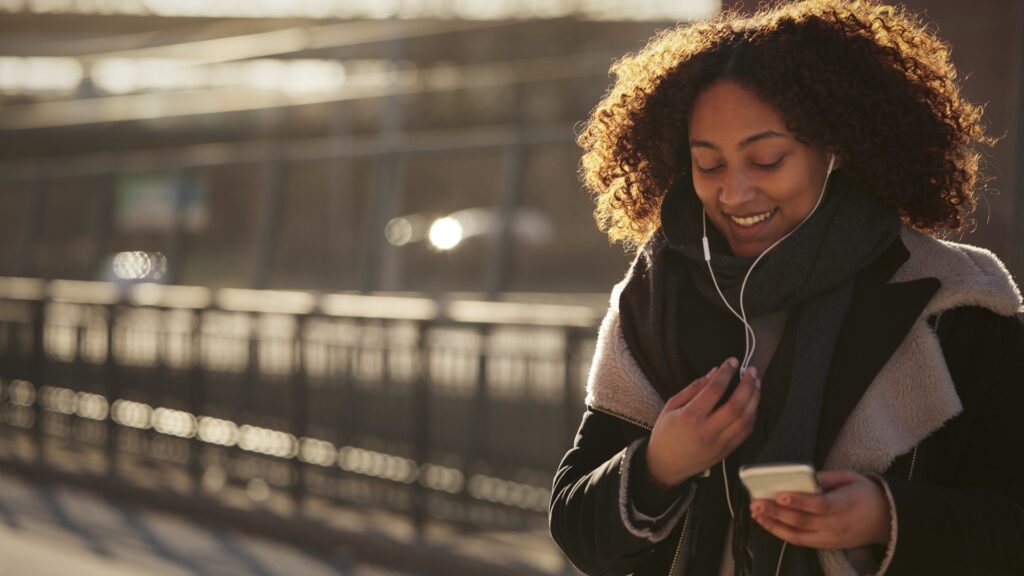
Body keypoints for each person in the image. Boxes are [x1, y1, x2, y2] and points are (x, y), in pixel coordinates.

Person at [548, 1, 1024, 575]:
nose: (735, 193)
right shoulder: (653, 298)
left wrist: (887, 517)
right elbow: (576, 529)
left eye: (767, 159)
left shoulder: (957, 301)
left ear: (836, 149)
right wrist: (658, 464)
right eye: (709, 164)